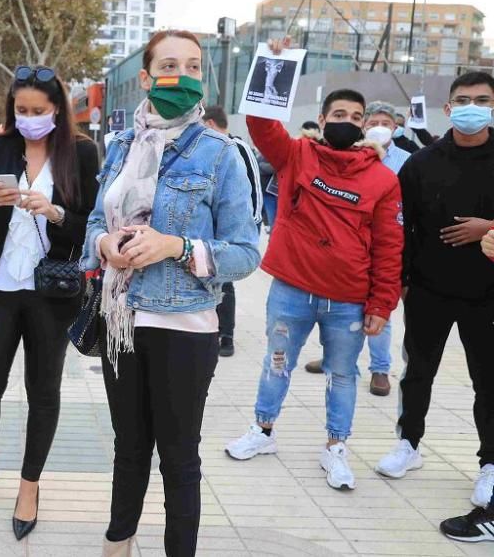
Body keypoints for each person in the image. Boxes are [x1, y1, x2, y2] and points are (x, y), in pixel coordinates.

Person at [85, 30, 260, 557]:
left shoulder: (222, 154)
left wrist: (174, 247)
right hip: (121, 323)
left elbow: (246, 253)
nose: (181, 77)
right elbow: (96, 218)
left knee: (179, 457)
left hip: (184, 327)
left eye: (192, 66)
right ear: (145, 78)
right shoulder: (120, 147)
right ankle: (119, 545)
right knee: (128, 449)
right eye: (168, 65)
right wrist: (104, 243)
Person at [226, 39, 403, 492]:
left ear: (365, 127)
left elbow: (388, 244)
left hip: (348, 300)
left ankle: (335, 447)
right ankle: (262, 432)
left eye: (355, 118)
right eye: (338, 115)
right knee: (276, 363)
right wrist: (276, 61)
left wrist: (382, 303)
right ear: (322, 121)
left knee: (343, 375)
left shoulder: (382, 179)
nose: (347, 122)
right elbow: (260, 124)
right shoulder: (296, 156)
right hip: (291, 291)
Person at [0, 64, 100, 541]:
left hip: (51, 295)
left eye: (38, 111)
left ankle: (29, 483)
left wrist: (56, 211)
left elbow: (91, 226)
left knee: (43, 393)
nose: (29, 118)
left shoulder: (80, 153)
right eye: (21, 110)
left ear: (57, 109)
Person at [375, 71, 494, 510]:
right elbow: (399, 228)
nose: (471, 107)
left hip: (488, 294)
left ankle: (490, 464)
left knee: (489, 380)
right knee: (418, 371)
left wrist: (490, 228)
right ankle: (408, 443)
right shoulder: (422, 162)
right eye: (463, 99)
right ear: (448, 108)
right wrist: (401, 281)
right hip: (429, 289)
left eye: (482, 100)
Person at [304, 101, 410, 395]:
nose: (379, 128)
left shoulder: (406, 160)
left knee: (379, 309)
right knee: (335, 310)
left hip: (386, 247)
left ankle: (380, 369)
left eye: (386, 123)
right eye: (373, 121)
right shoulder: (352, 153)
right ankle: (331, 357)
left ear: (396, 127)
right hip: (349, 251)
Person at [202, 105, 262, 358]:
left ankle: (226, 335)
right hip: (208, 231)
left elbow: (254, 187)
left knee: (224, 281)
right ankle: (211, 327)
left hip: (232, 230)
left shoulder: (238, 148)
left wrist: (254, 222)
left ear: (212, 124)